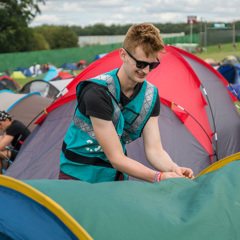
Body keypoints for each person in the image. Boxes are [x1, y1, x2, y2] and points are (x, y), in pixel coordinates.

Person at [59, 23, 194, 183]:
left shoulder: (151, 95)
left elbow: (154, 149)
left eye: (152, 65)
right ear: (123, 55)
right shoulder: (97, 92)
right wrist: (158, 177)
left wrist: (173, 169)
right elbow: (116, 157)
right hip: (78, 174)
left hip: (115, 175)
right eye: (140, 64)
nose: (145, 71)